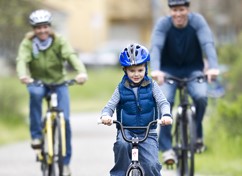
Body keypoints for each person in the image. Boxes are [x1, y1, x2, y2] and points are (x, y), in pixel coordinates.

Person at [16, 9, 88, 176]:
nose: (42, 30)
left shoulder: (59, 41)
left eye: (45, 27)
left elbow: (71, 56)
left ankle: (67, 163)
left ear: (49, 27)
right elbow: (22, 60)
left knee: (66, 120)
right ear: (33, 29)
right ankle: (36, 136)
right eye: (38, 27)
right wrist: (23, 75)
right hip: (38, 82)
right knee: (34, 95)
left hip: (59, 82)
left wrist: (81, 72)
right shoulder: (28, 43)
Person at [150, 0, 220, 164]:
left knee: (201, 97)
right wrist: (156, 70)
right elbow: (156, 48)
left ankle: (197, 133)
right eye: (174, 10)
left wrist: (213, 67)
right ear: (170, 11)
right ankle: (167, 148)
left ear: (187, 10)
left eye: (181, 9)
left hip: (193, 70)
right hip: (168, 71)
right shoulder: (163, 24)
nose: (178, 14)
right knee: (165, 101)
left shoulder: (197, 22)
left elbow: (207, 44)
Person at [100, 43, 172, 176]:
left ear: (146, 68)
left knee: (152, 165)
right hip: (126, 131)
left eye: (140, 70)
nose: (136, 74)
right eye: (132, 71)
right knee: (121, 145)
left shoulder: (152, 86)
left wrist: (166, 115)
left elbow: (163, 102)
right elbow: (110, 106)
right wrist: (106, 115)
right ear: (125, 70)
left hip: (148, 132)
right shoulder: (121, 88)